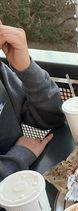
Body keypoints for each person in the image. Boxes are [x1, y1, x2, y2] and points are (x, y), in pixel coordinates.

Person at [0, 22, 65, 182]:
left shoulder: (2, 73)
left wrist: (25, 68)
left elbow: (51, 118)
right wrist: (19, 156)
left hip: (23, 182)